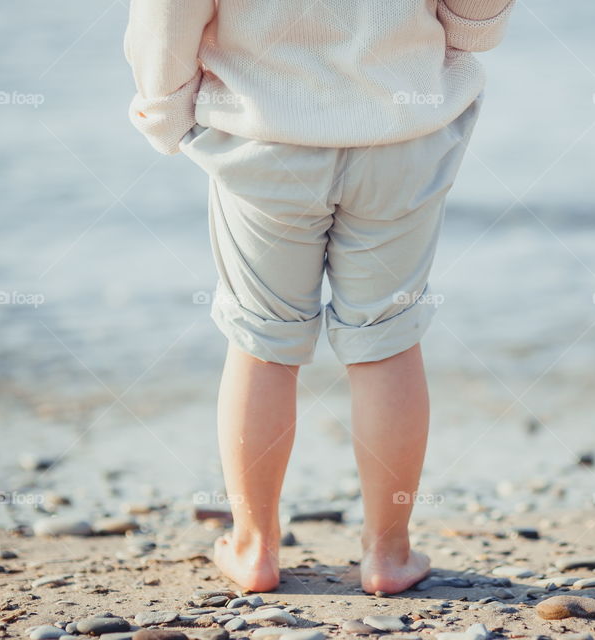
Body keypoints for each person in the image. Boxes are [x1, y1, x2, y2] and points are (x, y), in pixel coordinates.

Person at [124, 0, 515, 594]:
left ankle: (255, 547)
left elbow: (167, 11)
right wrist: (468, 28)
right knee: (386, 338)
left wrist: (166, 110)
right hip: (400, 126)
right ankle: (388, 554)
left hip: (261, 127)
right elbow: (473, 15)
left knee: (263, 338)